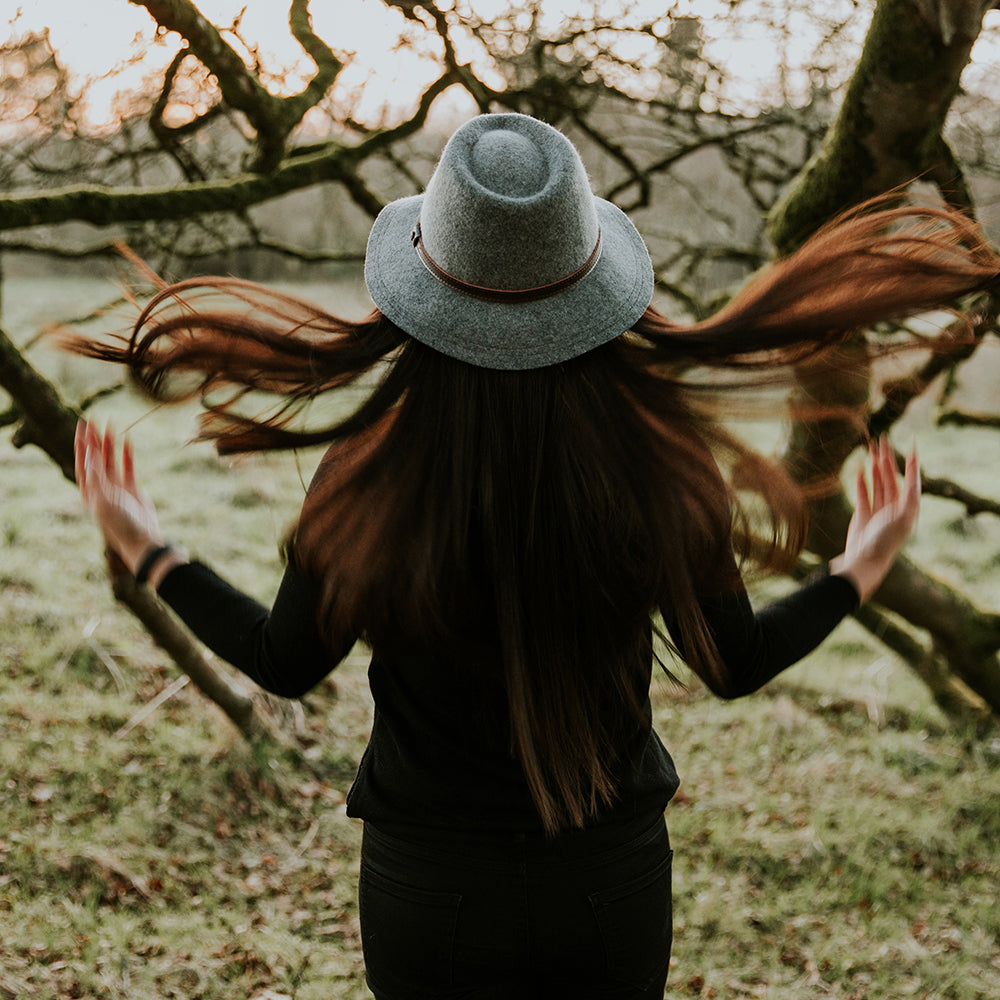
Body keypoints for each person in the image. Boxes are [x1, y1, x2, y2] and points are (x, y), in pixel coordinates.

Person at [72, 113, 999, 999]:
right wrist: (857, 571)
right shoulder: (660, 465)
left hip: (429, 893)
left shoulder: (368, 470)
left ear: (424, 296)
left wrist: (148, 550)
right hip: (605, 889)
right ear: (590, 292)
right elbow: (733, 662)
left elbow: (285, 661)